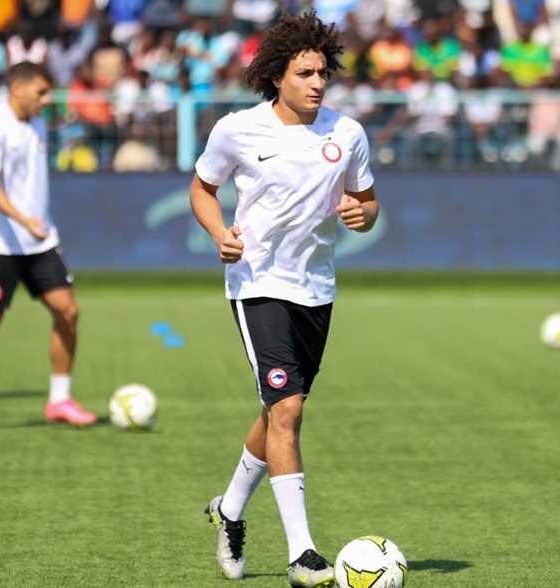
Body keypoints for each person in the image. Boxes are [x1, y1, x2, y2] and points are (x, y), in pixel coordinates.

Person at [189, 12, 379, 588]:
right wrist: (218, 233)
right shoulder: (237, 130)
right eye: (305, 73)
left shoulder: (348, 134)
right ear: (277, 76)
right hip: (257, 283)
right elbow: (202, 189)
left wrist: (362, 214)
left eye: (323, 73)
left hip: (316, 289)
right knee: (289, 410)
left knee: (279, 411)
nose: (317, 83)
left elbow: (369, 204)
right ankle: (303, 555)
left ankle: (229, 509)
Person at [0, 62, 97, 433]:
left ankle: (59, 399)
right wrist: (23, 220)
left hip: (39, 241)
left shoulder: (37, 124)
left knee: (68, 311)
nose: (46, 99)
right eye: (40, 92)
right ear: (17, 89)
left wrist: (40, 226)